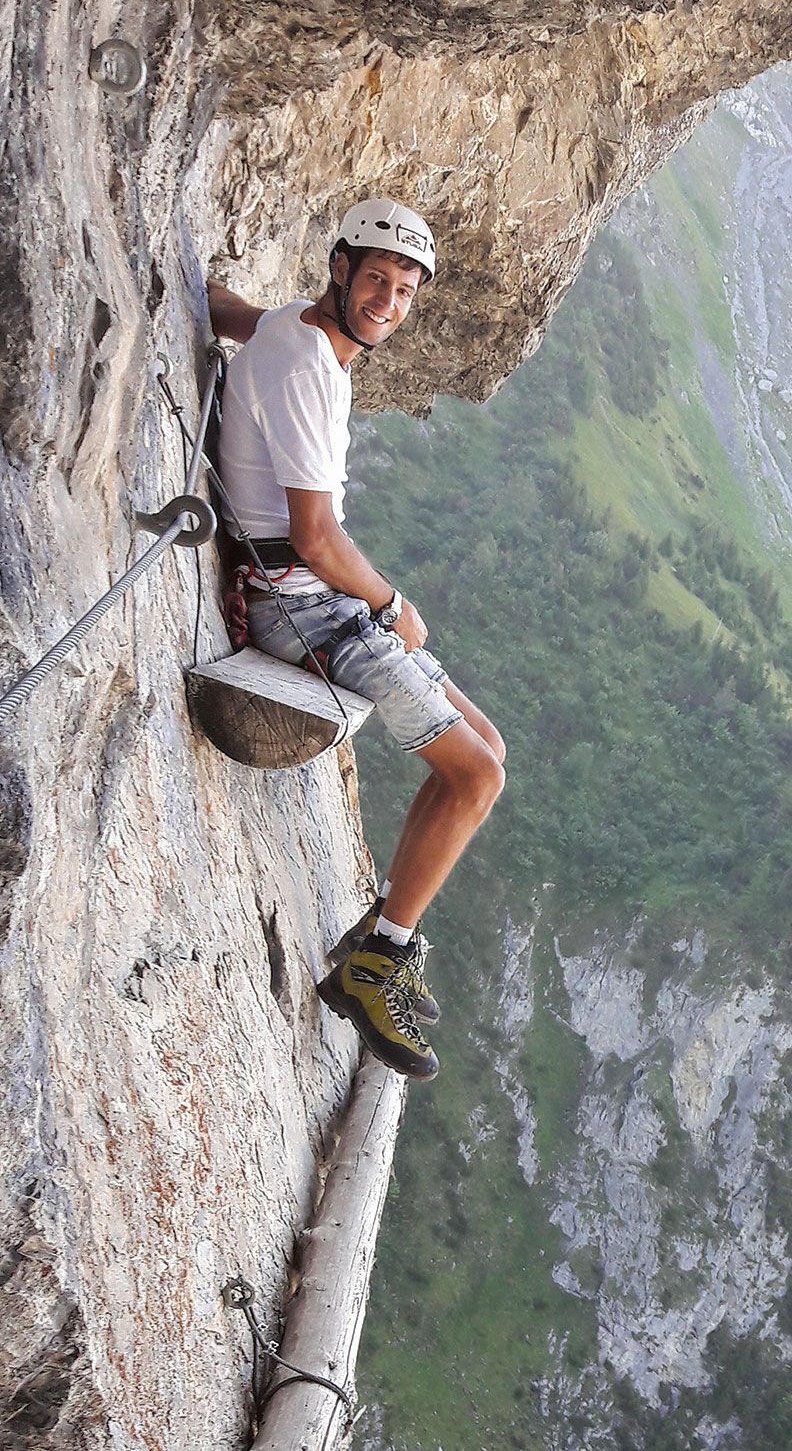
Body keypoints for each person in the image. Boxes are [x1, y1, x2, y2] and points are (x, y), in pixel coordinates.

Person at [207, 199, 505, 1082]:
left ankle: (384, 938)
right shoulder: (307, 364)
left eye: (405, 290)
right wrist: (393, 604)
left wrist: (192, 290)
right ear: (339, 268)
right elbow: (314, 538)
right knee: (478, 774)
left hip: (314, 599)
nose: (388, 300)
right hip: (301, 604)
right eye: (376, 277)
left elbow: (239, 315)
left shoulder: (303, 335)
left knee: (488, 749)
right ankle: (379, 962)